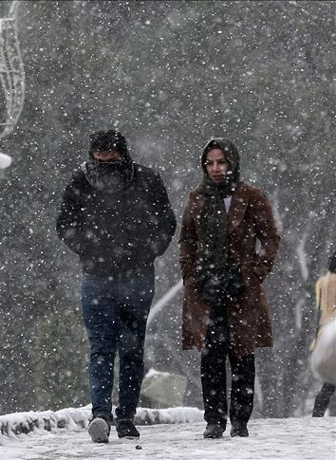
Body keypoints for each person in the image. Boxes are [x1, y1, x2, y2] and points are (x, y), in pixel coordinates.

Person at [56, 129, 176, 443]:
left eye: (111, 155)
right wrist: (90, 249)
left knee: (129, 351)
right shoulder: (81, 182)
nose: (106, 161)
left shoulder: (147, 181)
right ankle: (103, 414)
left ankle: (123, 415)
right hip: (99, 277)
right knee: (104, 349)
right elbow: (65, 224)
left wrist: (145, 250)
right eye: (100, 155)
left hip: (133, 277)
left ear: (122, 153)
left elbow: (166, 222)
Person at [179, 138, 280, 439]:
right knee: (211, 356)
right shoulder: (197, 197)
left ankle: (240, 420)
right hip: (206, 289)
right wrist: (192, 276)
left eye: (221, 162)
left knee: (242, 355)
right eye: (210, 162)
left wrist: (253, 273)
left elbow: (271, 239)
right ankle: (214, 420)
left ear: (232, 162)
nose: (215, 168)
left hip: (241, 289)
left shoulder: (250, 195)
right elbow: (187, 240)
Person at [312, 250, 336, 417]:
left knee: (329, 382)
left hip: (326, 332)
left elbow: (320, 310)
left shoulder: (323, 282)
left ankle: (317, 414)